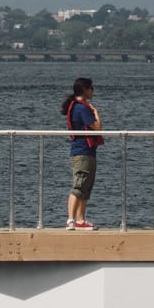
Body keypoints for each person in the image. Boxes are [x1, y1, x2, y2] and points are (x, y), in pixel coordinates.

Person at [61, 77, 102, 230]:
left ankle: (80, 219)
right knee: (79, 186)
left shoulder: (76, 106)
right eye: (91, 88)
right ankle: (71, 220)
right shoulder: (82, 108)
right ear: (85, 90)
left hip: (87, 151)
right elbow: (97, 128)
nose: (93, 91)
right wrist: (96, 113)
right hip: (82, 151)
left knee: (86, 187)